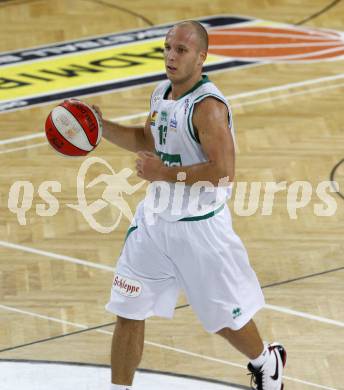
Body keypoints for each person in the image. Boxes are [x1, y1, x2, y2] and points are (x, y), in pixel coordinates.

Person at [94, 20, 286, 390]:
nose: (170, 56)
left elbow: (224, 172)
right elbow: (145, 138)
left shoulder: (208, 107)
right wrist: (103, 127)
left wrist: (164, 173)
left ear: (201, 57)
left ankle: (266, 361)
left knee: (224, 321)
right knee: (127, 309)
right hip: (152, 224)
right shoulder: (161, 93)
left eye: (180, 50)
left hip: (200, 229)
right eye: (167, 48)